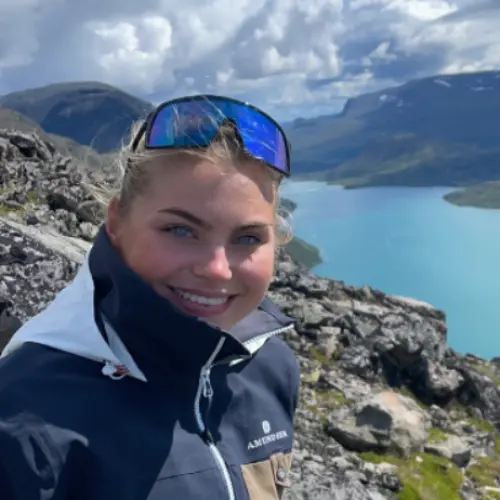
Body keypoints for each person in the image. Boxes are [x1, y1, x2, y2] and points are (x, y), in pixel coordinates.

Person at [0, 95, 301, 500]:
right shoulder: (21, 416)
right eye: (180, 230)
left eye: (248, 238)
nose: (217, 269)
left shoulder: (270, 366)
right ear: (116, 221)